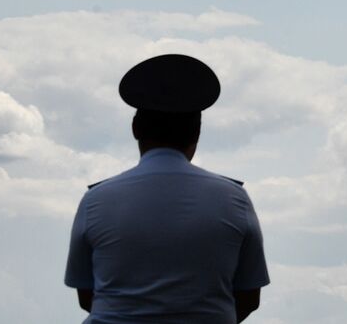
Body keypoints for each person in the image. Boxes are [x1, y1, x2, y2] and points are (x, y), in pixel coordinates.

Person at [65, 53, 269, 323]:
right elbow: (248, 297)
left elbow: (87, 296)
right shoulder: (234, 199)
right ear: (196, 133)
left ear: (136, 128)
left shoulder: (96, 200)